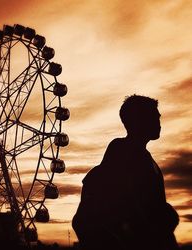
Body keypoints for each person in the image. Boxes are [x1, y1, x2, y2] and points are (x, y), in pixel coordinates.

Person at [72, 95, 179, 250]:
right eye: (154, 117)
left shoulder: (144, 158)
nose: (159, 122)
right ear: (138, 121)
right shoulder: (123, 155)